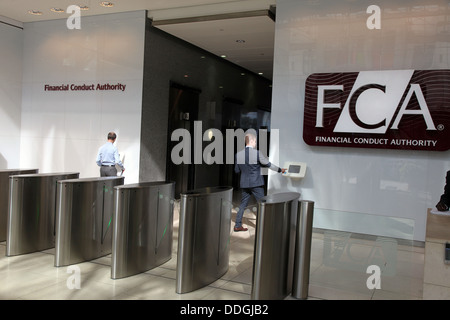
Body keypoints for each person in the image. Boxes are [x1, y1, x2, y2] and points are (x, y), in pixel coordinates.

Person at [233, 132, 286, 232]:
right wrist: (280, 170)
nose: (255, 144)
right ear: (252, 141)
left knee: (242, 204)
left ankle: (237, 225)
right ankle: (266, 227)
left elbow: (237, 170)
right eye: (255, 141)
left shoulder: (238, 154)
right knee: (263, 205)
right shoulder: (257, 153)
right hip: (256, 183)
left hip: (245, 183)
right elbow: (268, 164)